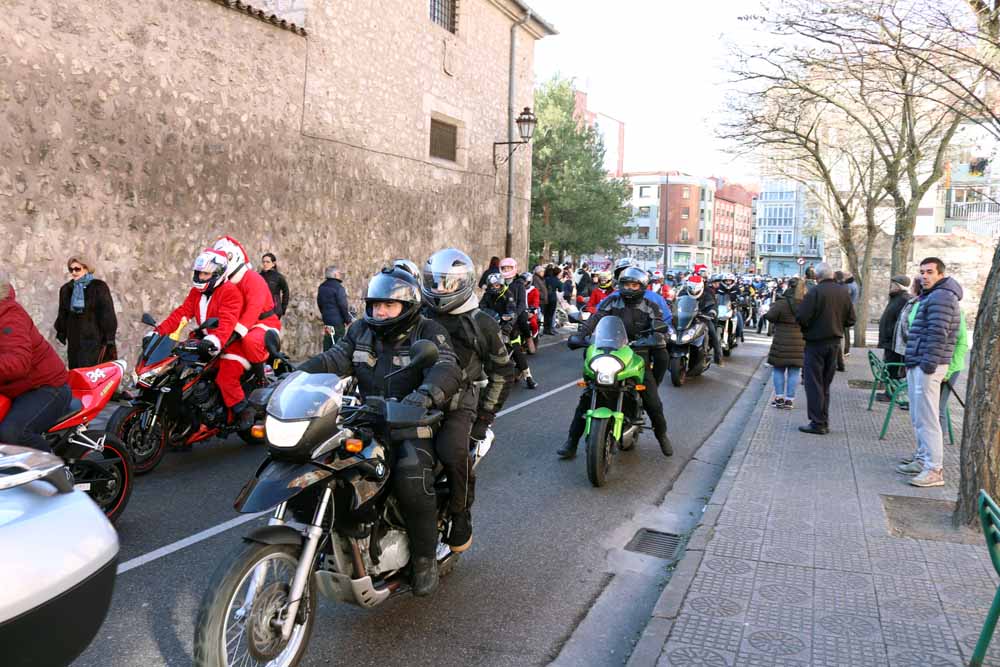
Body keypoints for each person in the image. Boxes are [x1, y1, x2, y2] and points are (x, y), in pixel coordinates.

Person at [298, 266, 462, 596]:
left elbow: (446, 366)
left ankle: (424, 559)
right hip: (366, 417)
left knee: (410, 475)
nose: (380, 312)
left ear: (408, 306)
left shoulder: (427, 331)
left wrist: (424, 395)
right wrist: (290, 379)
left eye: (388, 305)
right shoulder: (361, 331)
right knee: (320, 462)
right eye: (375, 305)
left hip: (412, 421)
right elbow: (332, 360)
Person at [420, 249, 515, 552]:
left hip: (458, 402)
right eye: (434, 283)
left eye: (446, 284)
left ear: (463, 283)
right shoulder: (419, 315)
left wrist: (485, 417)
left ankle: (461, 515)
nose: (439, 290)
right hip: (413, 397)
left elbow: (503, 371)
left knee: (452, 452)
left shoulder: (482, 323)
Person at [557, 267, 671, 459]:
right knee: (587, 395)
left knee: (652, 401)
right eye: (626, 284)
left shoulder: (650, 305)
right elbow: (596, 318)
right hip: (611, 350)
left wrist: (657, 337)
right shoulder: (611, 300)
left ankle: (662, 435)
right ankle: (571, 442)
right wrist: (581, 334)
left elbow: (659, 326)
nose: (630, 288)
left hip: (637, 352)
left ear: (642, 286)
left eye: (634, 285)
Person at [154, 249, 244, 434]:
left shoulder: (230, 292)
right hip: (203, 339)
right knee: (176, 371)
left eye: (206, 273)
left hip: (227, 342)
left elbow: (227, 322)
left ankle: (242, 412)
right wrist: (158, 332)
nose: (201, 277)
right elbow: (182, 314)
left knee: (225, 377)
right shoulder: (196, 293)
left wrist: (215, 340)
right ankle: (184, 422)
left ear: (218, 274)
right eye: (200, 273)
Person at [899, 257, 963, 488]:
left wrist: (928, 365)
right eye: (922, 272)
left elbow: (939, 333)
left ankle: (934, 469)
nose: (924, 276)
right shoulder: (932, 295)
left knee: (928, 418)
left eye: (929, 272)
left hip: (929, 365)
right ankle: (923, 459)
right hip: (919, 362)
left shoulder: (943, 296)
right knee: (919, 416)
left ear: (940, 274)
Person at [212, 236, 283, 431]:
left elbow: (254, 308)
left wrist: (237, 331)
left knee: (251, 341)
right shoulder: (222, 284)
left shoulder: (252, 279)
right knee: (219, 370)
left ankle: (260, 376)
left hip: (264, 324)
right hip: (237, 328)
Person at [0, 271, 71, 452]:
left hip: (45, 387)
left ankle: (54, 477)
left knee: (12, 433)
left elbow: (18, 362)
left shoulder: (9, 315)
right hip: (13, 388)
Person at [795, 262, 856, 435]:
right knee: (825, 384)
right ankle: (823, 419)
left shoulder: (815, 292)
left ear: (817, 276)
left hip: (816, 342)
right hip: (834, 343)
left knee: (813, 383)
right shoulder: (842, 292)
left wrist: (809, 328)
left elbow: (801, 316)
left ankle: (817, 422)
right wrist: (838, 324)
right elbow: (851, 319)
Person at [54, 255, 118, 368]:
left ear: (86, 268)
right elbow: (63, 313)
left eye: (77, 269)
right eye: (71, 269)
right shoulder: (66, 289)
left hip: (95, 340)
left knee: (93, 375)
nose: (74, 272)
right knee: (77, 372)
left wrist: (109, 339)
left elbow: (107, 314)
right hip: (74, 341)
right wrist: (61, 332)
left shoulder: (98, 287)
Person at [481, 273, 537, 389]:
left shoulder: (508, 295)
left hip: (509, 327)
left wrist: (507, 327)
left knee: (516, 349)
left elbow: (511, 312)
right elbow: (481, 307)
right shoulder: (487, 295)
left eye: (497, 286)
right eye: (492, 285)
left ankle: (528, 377)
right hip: (491, 325)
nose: (494, 288)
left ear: (501, 285)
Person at [764, 278, 806, 409]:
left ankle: (779, 398)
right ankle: (789, 400)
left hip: (781, 340)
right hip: (799, 341)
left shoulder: (781, 302)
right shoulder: (806, 303)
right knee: (794, 371)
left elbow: (770, 316)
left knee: (778, 369)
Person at [875, 275, 912, 403]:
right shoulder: (896, 298)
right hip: (889, 342)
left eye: (892, 285)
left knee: (893, 370)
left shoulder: (903, 299)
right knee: (889, 368)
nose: (890, 287)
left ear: (898, 286)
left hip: (895, 342)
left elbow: (902, 322)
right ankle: (889, 392)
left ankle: (891, 394)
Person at [318, 265, 351, 350]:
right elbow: (343, 305)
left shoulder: (322, 287)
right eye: (339, 273)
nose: (340, 275)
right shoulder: (339, 287)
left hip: (327, 321)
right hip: (338, 322)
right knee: (338, 346)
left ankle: (325, 361)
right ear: (335, 275)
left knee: (328, 343)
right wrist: (347, 320)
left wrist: (325, 314)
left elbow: (320, 303)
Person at [259, 253, 290, 319]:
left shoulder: (278, 277)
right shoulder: (259, 276)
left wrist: (283, 309)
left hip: (275, 311)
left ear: (273, 264)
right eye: (263, 262)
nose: (265, 264)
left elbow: (286, 291)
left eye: (267, 262)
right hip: (261, 312)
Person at [843, 271, 859, 355]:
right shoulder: (854, 284)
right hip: (850, 308)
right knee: (846, 331)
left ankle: (846, 349)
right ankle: (846, 349)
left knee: (845, 331)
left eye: (844, 275)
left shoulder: (849, 285)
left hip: (847, 310)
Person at [543, 266, 561, 335]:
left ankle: (545, 329)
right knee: (551, 314)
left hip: (546, 297)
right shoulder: (557, 280)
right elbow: (560, 289)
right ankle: (549, 329)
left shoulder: (546, 279)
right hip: (553, 298)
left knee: (546, 314)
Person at [531, 264, 549, 331]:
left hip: (542, 301)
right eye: (542, 271)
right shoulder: (535, 278)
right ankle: (536, 331)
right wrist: (543, 296)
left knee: (540, 316)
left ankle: (538, 330)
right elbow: (537, 290)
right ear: (538, 272)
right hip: (539, 301)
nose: (543, 273)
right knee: (538, 316)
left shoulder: (541, 279)